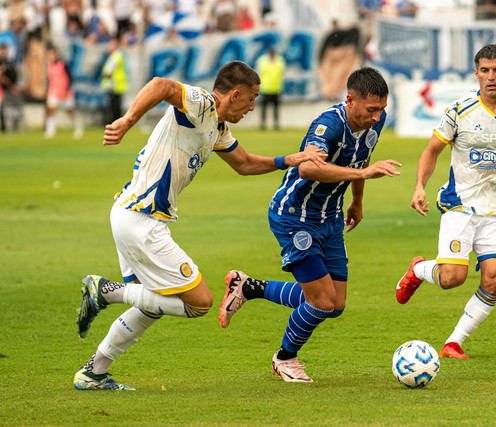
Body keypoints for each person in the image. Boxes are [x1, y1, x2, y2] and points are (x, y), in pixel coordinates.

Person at [73, 61, 327, 391]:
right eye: (251, 99)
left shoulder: (218, 127)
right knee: (199, 303)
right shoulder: (201, 103)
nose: (252, 107)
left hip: (129, 215)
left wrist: (290, 160)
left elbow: (245, 164)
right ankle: (105, 291)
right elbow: (161, 85)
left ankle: (93, 372)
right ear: (234, 94)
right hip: (142, 220)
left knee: (152, 303)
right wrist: (126, 121)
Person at [218, 67, 401, 383]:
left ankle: (248, 287)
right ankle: (284, 358)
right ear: (350, 100)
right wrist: (361, 177)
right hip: (294, 216)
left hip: (330, 217)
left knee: (335, 304)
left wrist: (357, 200)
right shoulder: (327, 126)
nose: (376, 117)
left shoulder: (376, 121)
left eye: (381, 110)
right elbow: (307, 170)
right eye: (371, 109)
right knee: (321, 300)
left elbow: (363, 159)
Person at [395, 44, 496, 359]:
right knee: (452, 278)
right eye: (485, 70)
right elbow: (432, 150)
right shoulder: (460, 110)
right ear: (476, 73)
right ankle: (419, 270)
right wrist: (419, 186)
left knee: (495, 278)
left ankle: (453, 343)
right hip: (461, 206)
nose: (491, 77)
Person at [44, 44, 83, 139]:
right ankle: (50, 130)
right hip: (53, 91)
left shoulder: (63, 64)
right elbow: (49, 79)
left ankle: (79, 126)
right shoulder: (49, 65)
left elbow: (70, 78)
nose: (51, 56)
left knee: (69, 111)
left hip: (65, 92)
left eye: (52, 54)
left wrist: (67, 89)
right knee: (51, 110)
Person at [101, 36, 129, 126]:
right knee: (116, 107)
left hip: (115, 85)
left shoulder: (115, 56)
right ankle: (117, 124)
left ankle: (115, 125)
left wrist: (104, 75)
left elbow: (108, 72)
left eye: (111, 44)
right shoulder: (117, 55)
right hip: (116, 85)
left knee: (114, 108)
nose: (109, 46)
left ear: (115, 45)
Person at [256, 48, 285, 130]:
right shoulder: (262, 61)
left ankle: (276, 124)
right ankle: (263, 124)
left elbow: (282, 73)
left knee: (276, 108)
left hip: (276, 88)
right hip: (265, 88)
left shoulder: (280, 61)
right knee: (264, 108)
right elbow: (259, 73)